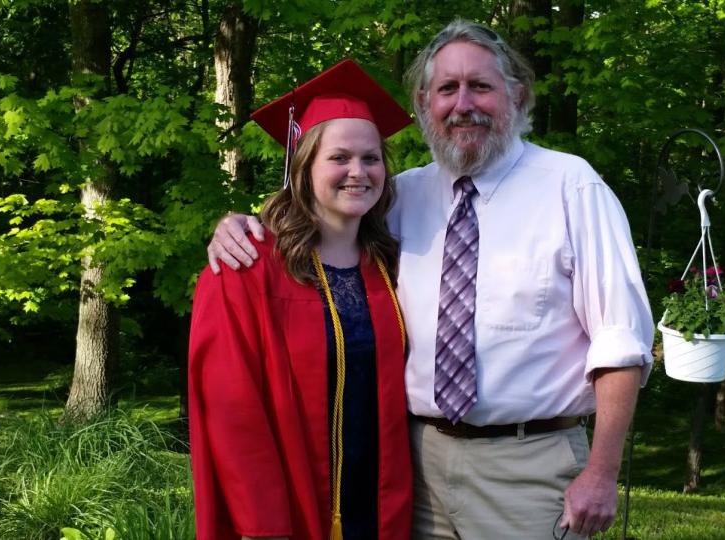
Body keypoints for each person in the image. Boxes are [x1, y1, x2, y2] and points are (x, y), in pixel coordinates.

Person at [207, 21, 654, 539]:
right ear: (424, 103)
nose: (463, 103)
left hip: (528, 469)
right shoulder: (400, 198)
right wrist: (237, 224)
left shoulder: (571, 187)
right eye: (447, 89)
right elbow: (324, 221)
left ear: (517, 96)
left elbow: (620, 342)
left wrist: (601, 473)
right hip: (411, 468)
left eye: (480, 86)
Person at [188, 59, 414, 540]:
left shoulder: (391, 267)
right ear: (303, 164)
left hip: (382, 507)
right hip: (288, 511)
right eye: (339, 158)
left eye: (371, 158)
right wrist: (262, 526)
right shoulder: (245, 266)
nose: (358, 171)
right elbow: (231, 411)